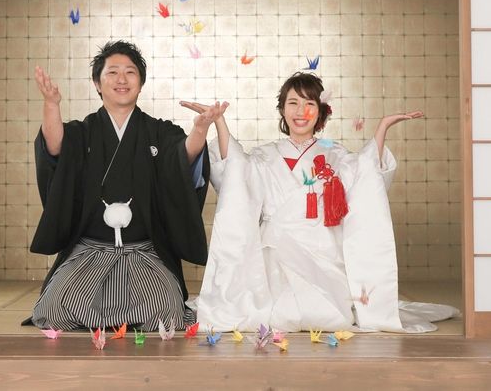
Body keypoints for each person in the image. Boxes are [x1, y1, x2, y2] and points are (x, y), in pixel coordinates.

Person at [181, 72, 458, 333]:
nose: (301, 111)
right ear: (282, 109)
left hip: (323, 249)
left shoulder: (335, 154)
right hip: (274, 251)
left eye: (309, 104)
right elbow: (236, 170)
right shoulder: (265, 155)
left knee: (329, 315)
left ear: (320, 111)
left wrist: (383, 126)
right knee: (276, 311)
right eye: (293, 103)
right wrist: (219, 122)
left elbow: (365, 172)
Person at [29, 40, 226, 331]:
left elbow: (182, 157)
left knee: (165, 310)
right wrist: (51, 105)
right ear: (97, 84)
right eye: (112, 72)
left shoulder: (160, 131)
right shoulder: (82, 133)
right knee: (55, 310)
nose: (122, 79)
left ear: (141, 83)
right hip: (89, 252)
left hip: (146, 253)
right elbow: (56, 147)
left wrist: (199, 129)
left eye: (130, 72)